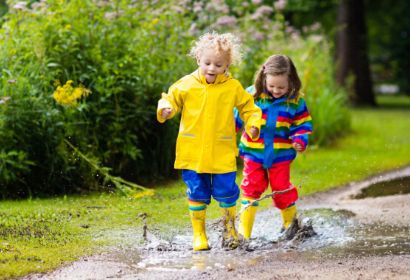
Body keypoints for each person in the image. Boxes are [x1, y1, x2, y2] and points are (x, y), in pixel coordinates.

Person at [157, 32, 262, 251]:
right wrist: (166, 109)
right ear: (198, 60)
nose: (212, 68)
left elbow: (249, 108)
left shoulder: (232, 87)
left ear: (227, 65)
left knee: (226, 191)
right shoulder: (186, 84)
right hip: (192, 152)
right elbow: (170, 98)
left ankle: (230, 230)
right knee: (197, 192)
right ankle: (199, 235)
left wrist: (253, 124)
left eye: (218, 64)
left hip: (221, 151)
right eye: (207, 63)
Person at [235, 54, 313, 240]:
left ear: (291, 81)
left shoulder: (295, 102)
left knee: (281, 189)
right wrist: (229, 133)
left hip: (280, 155)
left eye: (281, 87)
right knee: (251, 188)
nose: (276, 91)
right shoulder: (252, 95)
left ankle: (290, 226)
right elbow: (237, 117)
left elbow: (302, 125)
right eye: (271, 86)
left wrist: (300, 140)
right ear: (264, 78)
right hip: (254, 154)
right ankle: (244, 233)